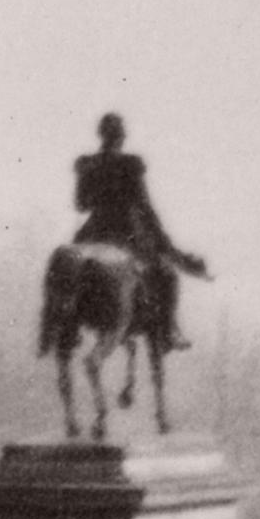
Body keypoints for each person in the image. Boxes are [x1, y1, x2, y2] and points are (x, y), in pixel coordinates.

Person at [71, 113, 205, 348]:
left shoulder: (87, 164)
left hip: (93, 233)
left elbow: (80, 205)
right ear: (121, 137)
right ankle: (169, 331)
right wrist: (165, 242)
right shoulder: (131, 165)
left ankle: (69, 325)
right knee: (167, 275)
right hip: (125, 234)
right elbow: (145, 206)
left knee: (71, 269)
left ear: (101, 135)